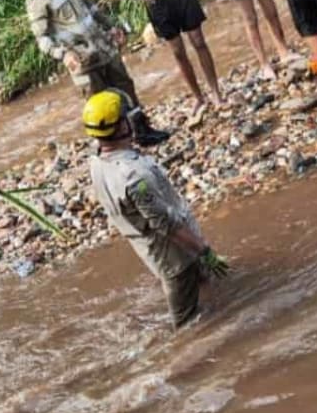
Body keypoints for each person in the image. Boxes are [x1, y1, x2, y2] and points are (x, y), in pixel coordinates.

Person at [84, 88, 230, 329]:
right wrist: (205, 251)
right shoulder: (134, 177)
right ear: (121, 127)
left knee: (209, 286)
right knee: (189, 327)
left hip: (155, 249)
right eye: (126, 117)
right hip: (177, 259)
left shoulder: (97, 160)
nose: (132, 119)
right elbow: (167, 226)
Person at [23, 0, 170, 147]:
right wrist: (63, 55)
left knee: (125, 88)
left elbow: (90, 7)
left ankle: (142, 131)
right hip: (82, 60)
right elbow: (43, 39)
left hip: (103, 46)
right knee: (99, 104)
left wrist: (112, 26)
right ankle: (113, 149)